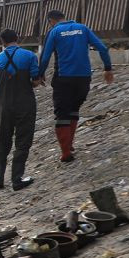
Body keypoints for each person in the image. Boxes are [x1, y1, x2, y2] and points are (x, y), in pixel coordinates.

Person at [38, 10, 113, 163]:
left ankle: (66, 153)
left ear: (51, 21)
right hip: (84, 78)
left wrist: (40, 73)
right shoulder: (83, 28)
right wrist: (108, 68)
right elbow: (103, 48)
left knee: (62, 114)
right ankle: (70, 144)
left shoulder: (54, 32)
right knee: (73, 110)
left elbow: (45, 56)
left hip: (64, 78)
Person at [0, 29, 41, 190]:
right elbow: (35, 81)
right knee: (23, 140)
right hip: (25, 103)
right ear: (17, 38)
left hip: (4, 104)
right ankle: (17, 179)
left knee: (2, 140)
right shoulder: (29, 56)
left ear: (2, 42)